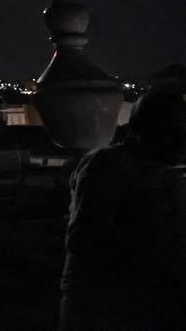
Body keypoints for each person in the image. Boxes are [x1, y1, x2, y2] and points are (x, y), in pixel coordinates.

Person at [59, 86, 186, 329]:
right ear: (148, 130)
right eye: (175, 131)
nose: (183, 141)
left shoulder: (166, 177)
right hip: (109, 309)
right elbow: (86, 237)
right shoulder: (109, 168)